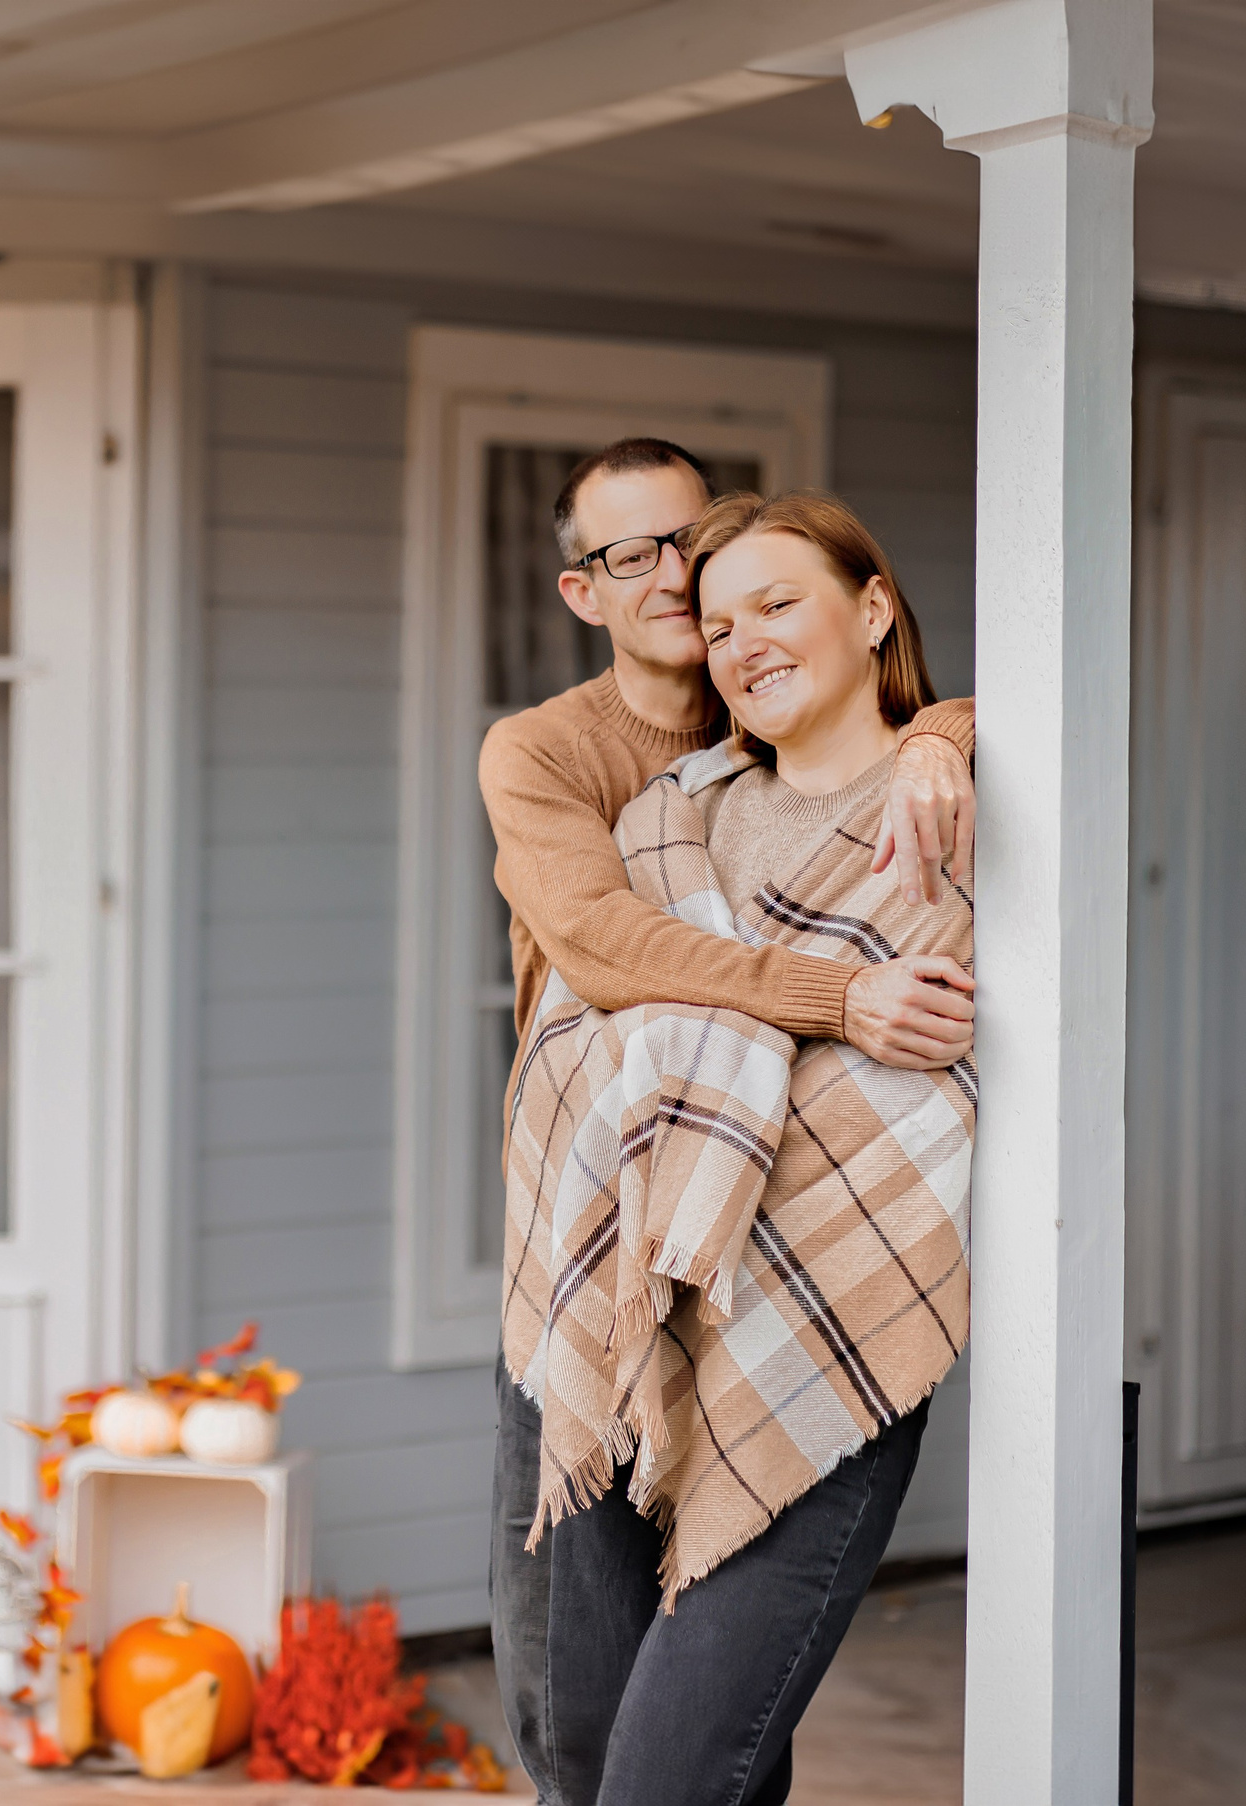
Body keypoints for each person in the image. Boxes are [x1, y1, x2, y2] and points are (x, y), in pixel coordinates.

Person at [482, 452, 977, 1803]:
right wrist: (839, 1000)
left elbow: (942, 731)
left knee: (687, 1757)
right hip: (605, 1276)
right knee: (575, 1728)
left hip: (802, 1302)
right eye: (642, 563)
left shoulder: (901, 780)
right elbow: (607, 947)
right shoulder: (593, 777)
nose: (685, 591)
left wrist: (945, 729)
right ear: (586, 589)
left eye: (689, 553)